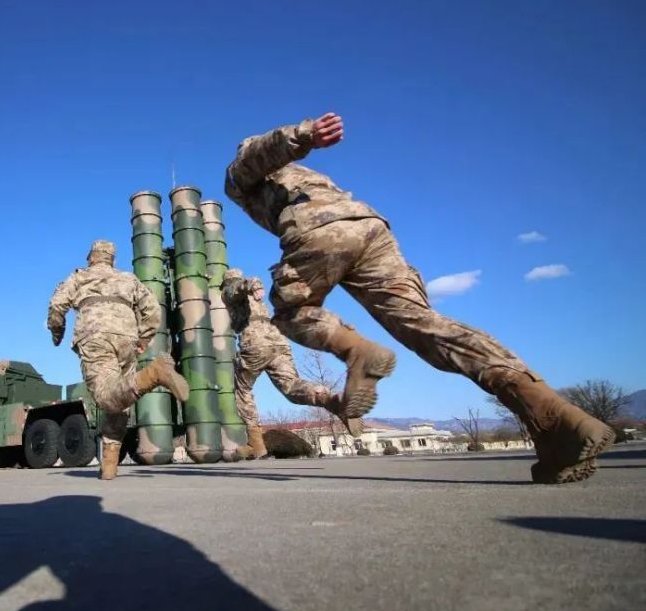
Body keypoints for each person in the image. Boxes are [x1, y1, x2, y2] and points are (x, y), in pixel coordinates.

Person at [224, 113, 613, 483]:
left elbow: (256, 152)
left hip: (323, 231)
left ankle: (356, 352)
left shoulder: (242, 176)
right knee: (428, 330)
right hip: (371, 229)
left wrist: (304, 134)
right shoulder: (307, 177)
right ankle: (554, 418)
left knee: (290, 311)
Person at [47, 240, 189, 480]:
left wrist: (56, 333)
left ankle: (155, 374)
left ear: (91, 257)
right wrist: (143, 339)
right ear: (112, 259)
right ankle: (109, 467)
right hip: (127, 339)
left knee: (106, 397)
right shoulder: (128, 279)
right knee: (121, 402)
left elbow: (57, 306)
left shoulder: (79, 276)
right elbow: (153, 310)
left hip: (95, 336)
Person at [222, 268, 352, 459]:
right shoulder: (256, 302)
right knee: (291, 386)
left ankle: (256, 444)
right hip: (278, 341)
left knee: (242, 390)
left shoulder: (230, 290)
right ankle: (326, 398)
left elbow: (236, 288)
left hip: (255, 343)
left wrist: (251, 284)